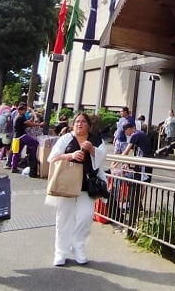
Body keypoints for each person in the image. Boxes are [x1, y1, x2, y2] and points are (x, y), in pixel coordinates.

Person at [46, 112, 107, 266]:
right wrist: (70, 155)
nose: (79, 124)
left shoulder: (96, 140)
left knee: (85, 217)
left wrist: (92, 150)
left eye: (83, 122)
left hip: (87, 185)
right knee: (63, 218)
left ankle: (78, 246)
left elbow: (102, 158)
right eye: (77, 122)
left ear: (88, 125)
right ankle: (61, 251)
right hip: (67, 183)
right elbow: (52, 158)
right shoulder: (66, 138)